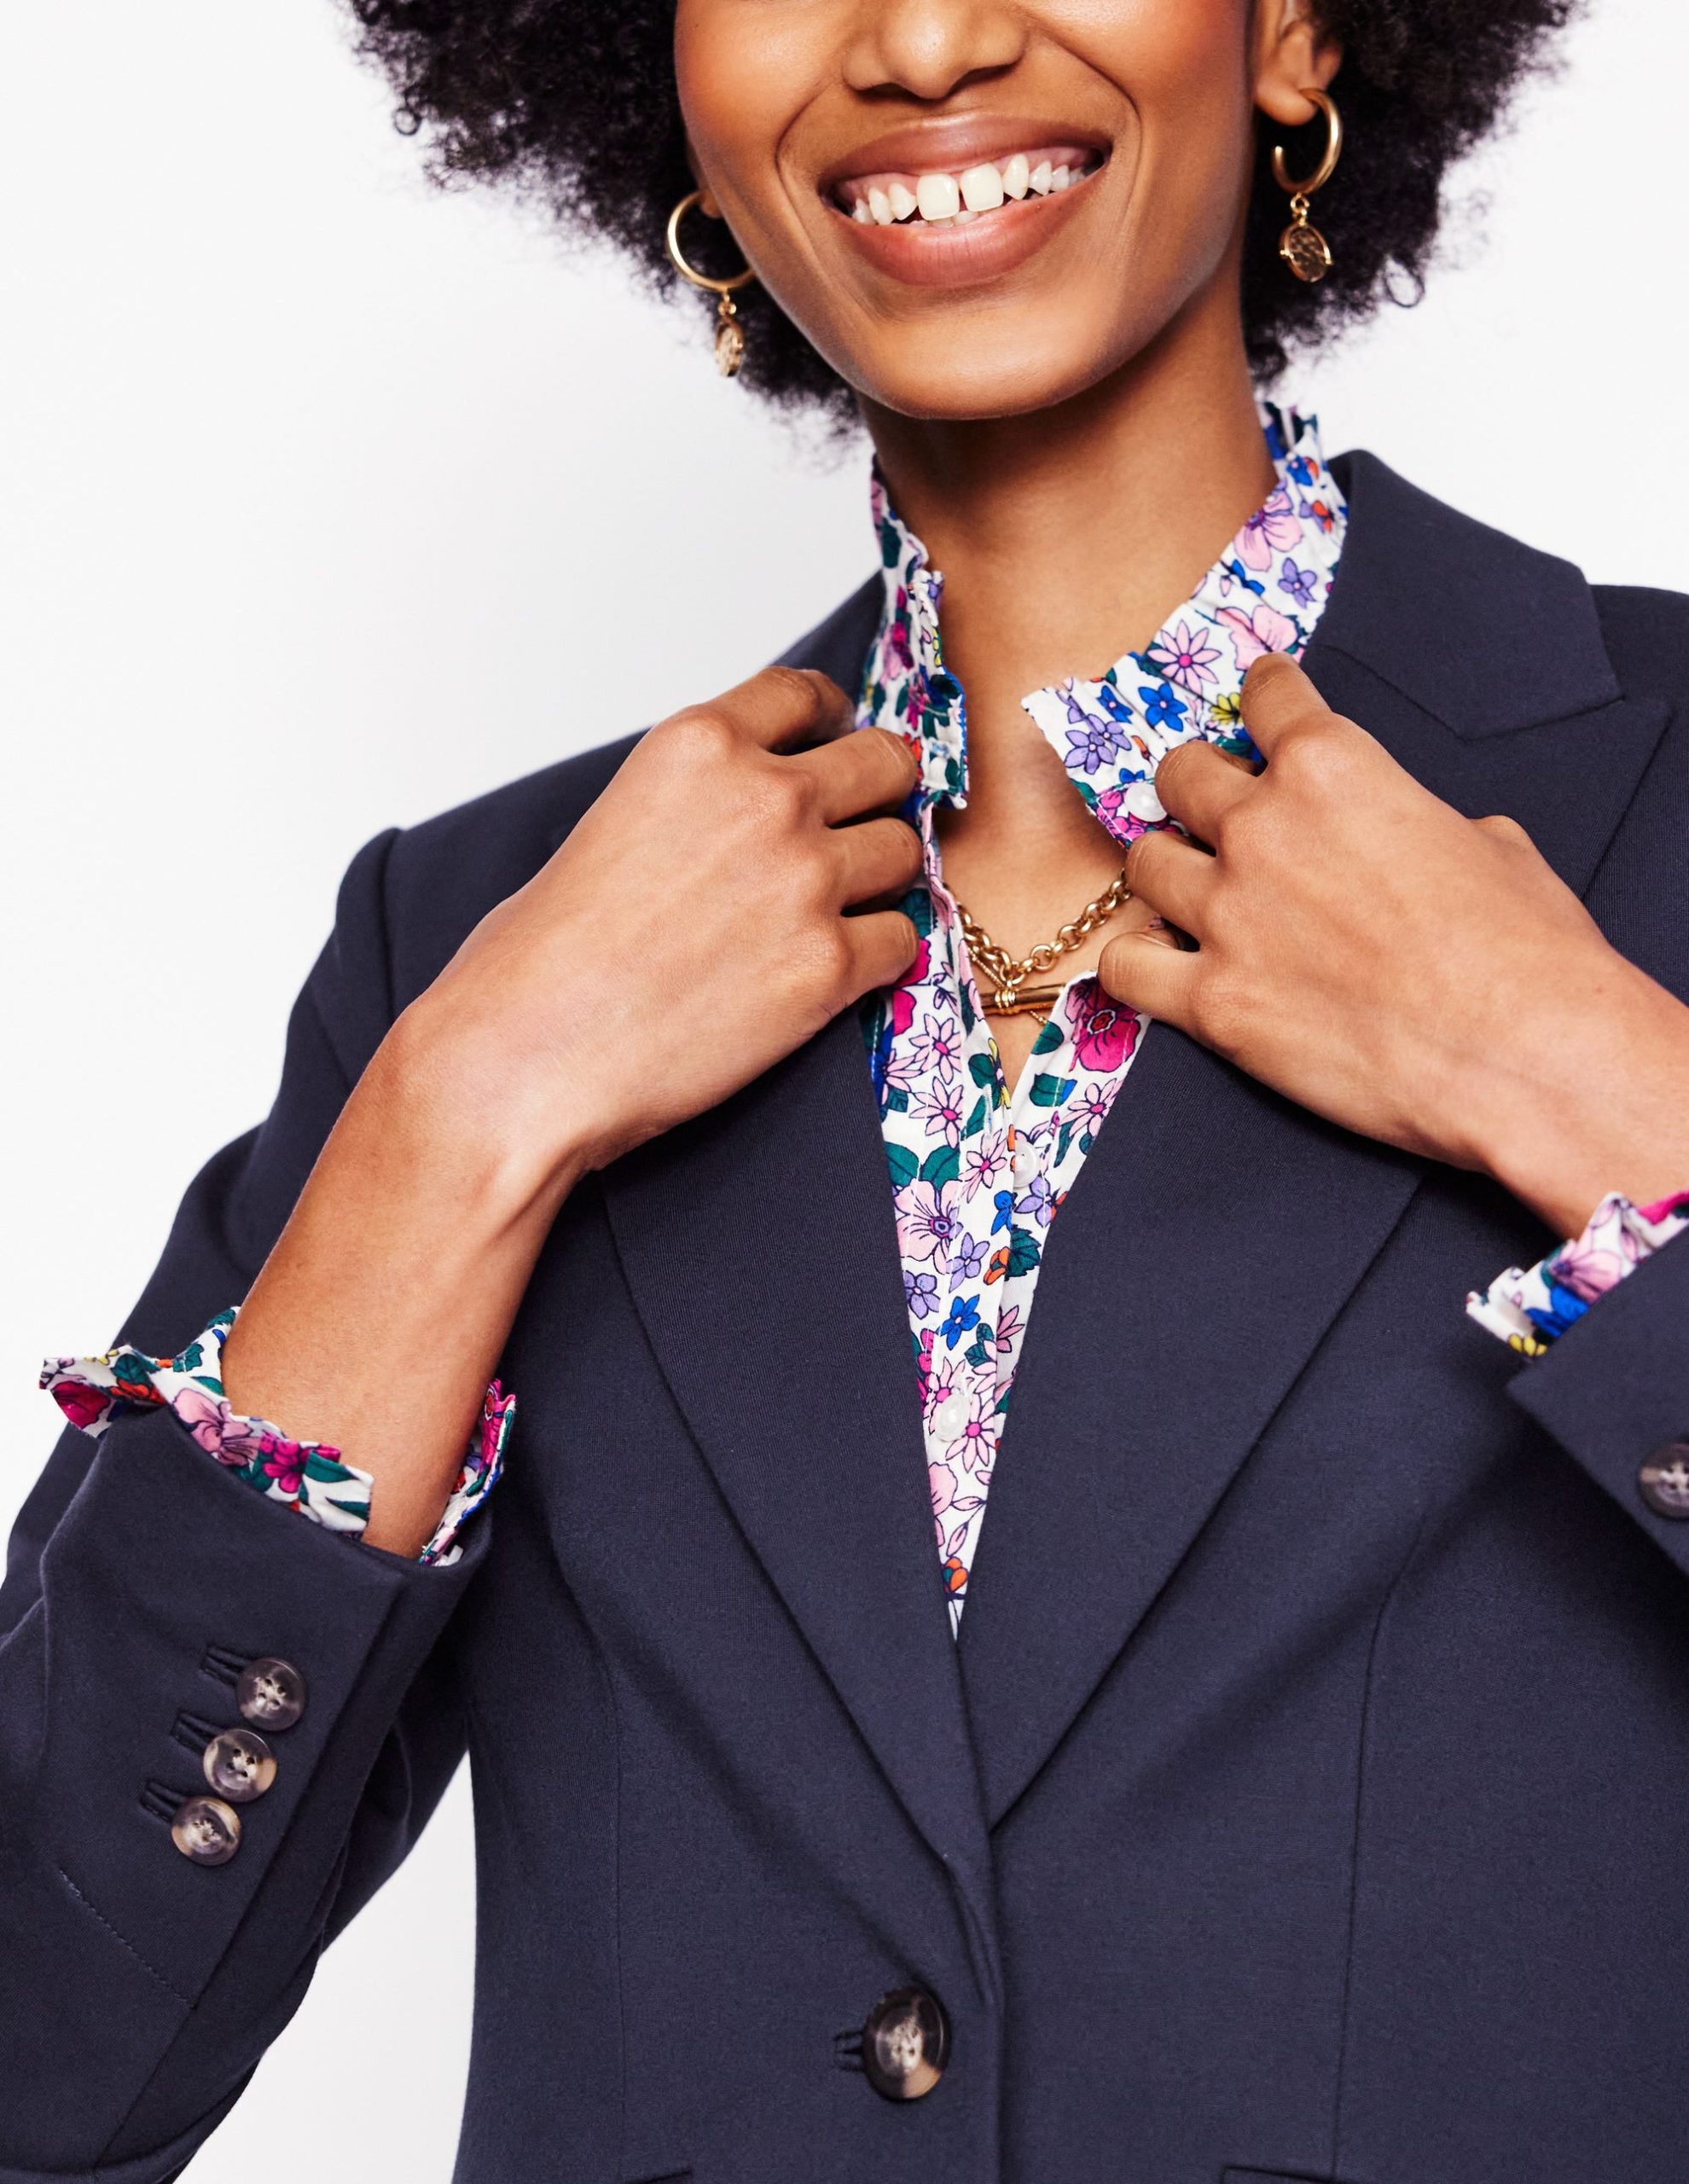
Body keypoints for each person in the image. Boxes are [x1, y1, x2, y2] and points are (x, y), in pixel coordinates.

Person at [7, 0, 1689, 2177]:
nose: (924, 38)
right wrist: (467, 1122)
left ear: (1289, 30)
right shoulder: (480, 945)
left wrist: (1590, 1081)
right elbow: (47, 2060)